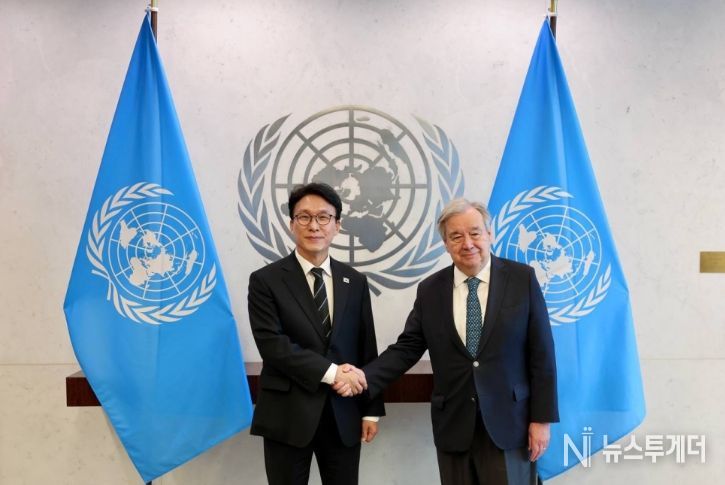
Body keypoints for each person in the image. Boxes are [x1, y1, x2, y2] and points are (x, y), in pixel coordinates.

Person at [341, 198, 558, 485]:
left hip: (510, 423)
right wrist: (363, 376)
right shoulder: (430, 290)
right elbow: (407, 348)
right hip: (454, 424)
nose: (467, 243)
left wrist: (541, 420)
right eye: (456, 236)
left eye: (475, 233)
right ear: (445, 244)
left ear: (489, 234)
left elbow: (542, 354)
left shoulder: (522, 279)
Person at [247, 182, 384, 485]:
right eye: (304, 217)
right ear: (291, 224)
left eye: (323, 217)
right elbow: (272, 345)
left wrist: (371, 411)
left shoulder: (355, 281)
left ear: (337, 225)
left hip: (343, 413)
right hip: (287, 414)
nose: (314, 226)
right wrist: (333, 373)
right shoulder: (266, 280)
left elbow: (366, 345)